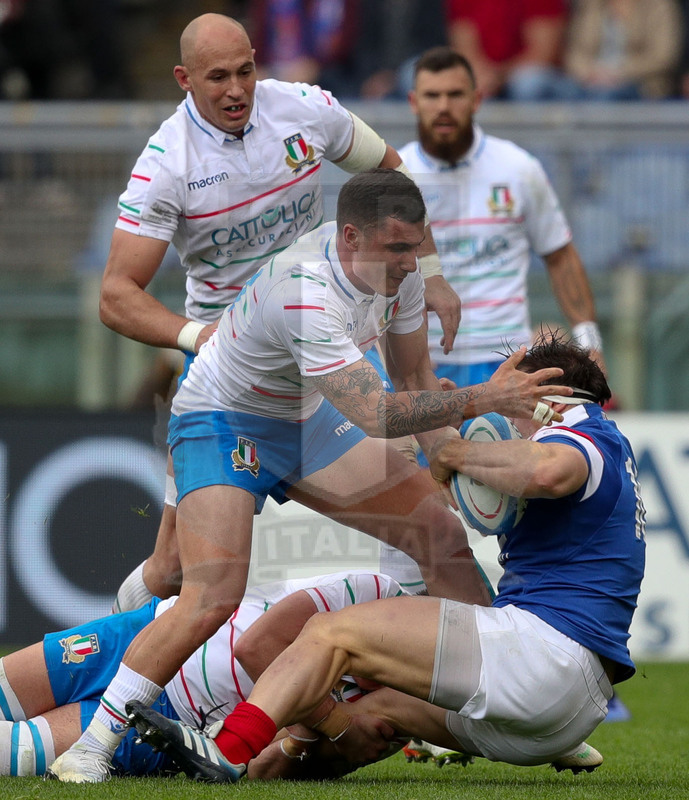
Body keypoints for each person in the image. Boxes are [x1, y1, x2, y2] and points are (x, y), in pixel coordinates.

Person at [47, 169, 574, 782]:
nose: (413, 263)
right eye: (399, 248)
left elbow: (413, 383)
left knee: (439, 535)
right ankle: (90, 748)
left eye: (417, 245)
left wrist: (453, 457)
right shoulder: (305, 290)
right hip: (223, 420)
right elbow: (377, 413)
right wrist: (485, 398)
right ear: (351, 236)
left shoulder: (397, 274)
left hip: (305, 419)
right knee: (209, 596)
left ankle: (508, 710)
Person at [123, 331, 646, 783]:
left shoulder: (578, 435)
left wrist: (456, 449)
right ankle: (256, 769)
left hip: (544, 661)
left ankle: (225, 750)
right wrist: (446, 426)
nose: (505, 420)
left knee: (331, 634)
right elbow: (473, 494)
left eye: (513, 402)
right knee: (366, 713)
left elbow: (550, 470)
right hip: (561, 714)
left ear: (549, 397)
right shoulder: (611, 446)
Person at [105, 12, 460, 616]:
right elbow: (116, 294)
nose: (237, 89)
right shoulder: (167, 162)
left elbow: (391, 173)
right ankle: (112, 664)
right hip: (234, 379)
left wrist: (431, 272)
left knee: (426, 516)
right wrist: (199, 336)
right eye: (218, 77)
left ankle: (423, 683)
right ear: (183, 79)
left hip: (325, 338)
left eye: (246, 70)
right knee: (173, 571)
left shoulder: (304, 109)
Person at [371, 46, 606, 591]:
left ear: (478, 98)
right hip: (425, 372)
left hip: (508, 367)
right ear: (413, 102)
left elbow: (560, 253)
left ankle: (522, 624)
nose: (445, 106)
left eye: (456, 94)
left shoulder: (519, 169)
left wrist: (589, 339)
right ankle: (412, 634)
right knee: (419, 516)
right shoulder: (395, 181)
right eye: (432, 96)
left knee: (523, 512)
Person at [0, 570, 408, 779]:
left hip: (168, 721)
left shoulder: (390, 717)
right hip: (148, 635)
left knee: (10, 751)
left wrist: (308, 741)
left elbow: (263, 771)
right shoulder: (375, 590)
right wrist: (333, 722)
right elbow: (257, 647)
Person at [445, 0, 568, 101]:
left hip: (526, 76)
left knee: (529, 84)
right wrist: (482, 76)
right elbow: (464, 44)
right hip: (486, 77)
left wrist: (499, 77)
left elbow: (543, 53)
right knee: (470, 87)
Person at [560, 0, 682, 101]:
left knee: (604, 97)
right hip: (588, 81)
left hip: (637, 84)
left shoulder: (659, 5)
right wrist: (590, 73)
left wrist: (616, 73)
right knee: (541, 83)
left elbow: (663, 57)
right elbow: (574, 52)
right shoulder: (590, 5)